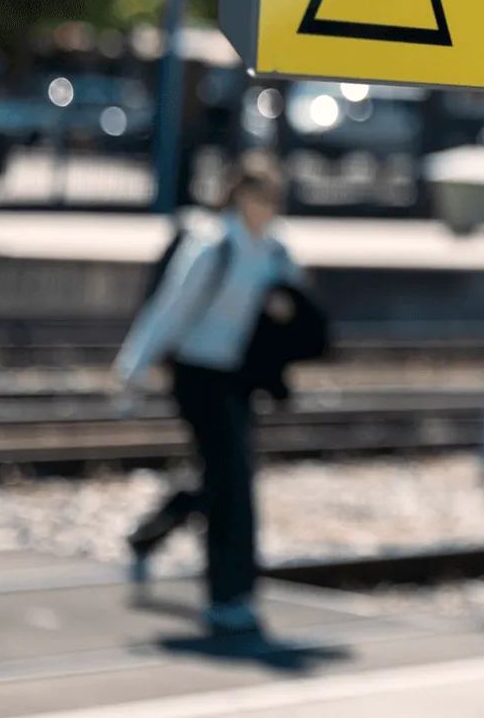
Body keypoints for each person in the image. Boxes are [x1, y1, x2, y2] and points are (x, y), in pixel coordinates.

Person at [114, 152, 306, 635]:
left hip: (240, 377)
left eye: (273, 198)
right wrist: (131, 369)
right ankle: (228, 596)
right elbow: (169, 309)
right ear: (239, 195)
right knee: (232, 481)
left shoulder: (278, 251)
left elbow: (302, 310)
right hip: (197, 374)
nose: (267, 207)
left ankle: (146, 538)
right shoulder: (211, 244)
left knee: (220, 477)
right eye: (259, 197)